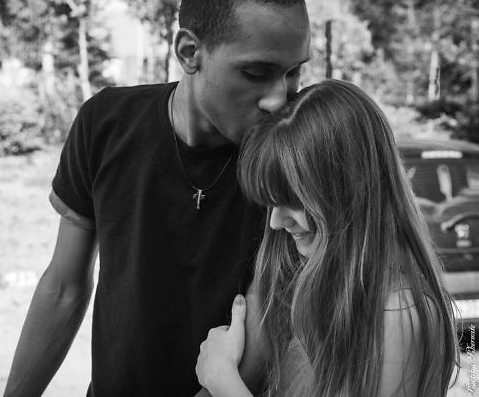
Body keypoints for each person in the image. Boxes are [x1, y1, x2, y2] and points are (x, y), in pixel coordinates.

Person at [4, 0, 311, 396]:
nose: (278, 100)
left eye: (293, 74)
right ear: (190, 52)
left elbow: (267, 327)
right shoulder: (106, 123)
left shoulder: (290, 155)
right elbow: (64, 287)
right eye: (257, 73)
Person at [195, 80, 459, 397]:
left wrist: (221, 377)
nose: (276, 222)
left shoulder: (396, 315)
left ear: (349, 191)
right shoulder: (318, 292)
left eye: (293, 200)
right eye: (271, 203)